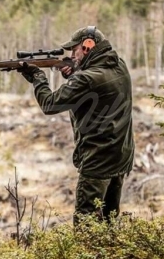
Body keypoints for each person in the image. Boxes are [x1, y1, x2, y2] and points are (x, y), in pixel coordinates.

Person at [18, 26, 134, 225]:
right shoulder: (119, 66)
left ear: (88, 46)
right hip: (120, 157)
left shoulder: (86, 78)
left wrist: (38, 78)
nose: (72, 55)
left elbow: (50, 104)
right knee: (109, 223)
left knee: (85, 225)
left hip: (97, 162)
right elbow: (96, 85)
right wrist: (74, 73)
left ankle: (89, 257)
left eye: (74, 50)